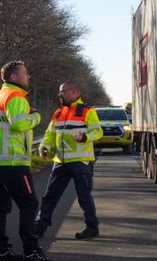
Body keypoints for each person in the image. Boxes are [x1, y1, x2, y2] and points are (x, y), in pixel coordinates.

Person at [35, 82, 103, 240]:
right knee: (50, 196)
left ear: (74, 92)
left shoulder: (87, 111)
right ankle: (39, 227)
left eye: (63, 92)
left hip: (81, 161)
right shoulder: (58, 113)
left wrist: (85, 137)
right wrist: (44, 146)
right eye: (59, 92)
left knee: (84, 197)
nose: (60, 95)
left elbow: (97, 132)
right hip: (60, 161)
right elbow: (50, 134)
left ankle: (92, 227)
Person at [0, 61, 49, 261]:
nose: (28, 76)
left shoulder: (2, 94)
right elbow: (19, 123)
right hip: (14, 164)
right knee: (29, 206)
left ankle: (2, 250)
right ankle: (30, 250)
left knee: (1, 209)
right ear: (13, 77)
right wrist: (36, 116)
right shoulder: (17, 96)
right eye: (25, 73)